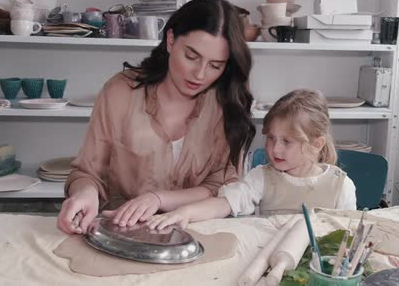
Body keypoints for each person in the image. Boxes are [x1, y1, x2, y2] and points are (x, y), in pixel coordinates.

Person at [57, 0, 256, 234]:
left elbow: (219, 185)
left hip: (196, 232)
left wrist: (159, 199)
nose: (200, 75)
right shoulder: (121, 93)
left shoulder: (225, 103)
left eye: (215, 65)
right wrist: (86, 193)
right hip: (122, 231)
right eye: (191, 57)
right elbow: (87, 173)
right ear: (170, 40)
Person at [146, 89, 357, 230]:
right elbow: (224, 204)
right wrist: (186, 212)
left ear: (317, 144)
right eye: (271, 138)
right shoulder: (262, 178)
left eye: (287, 141)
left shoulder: (341, 186)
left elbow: (348, 237)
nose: (275, 148)